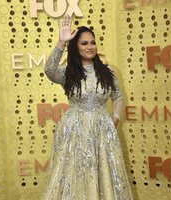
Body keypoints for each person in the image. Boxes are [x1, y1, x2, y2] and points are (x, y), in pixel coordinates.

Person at [41, 15, 134, 200]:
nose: (90, 46)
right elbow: (49, 70)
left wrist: (114, 119)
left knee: (103, 174)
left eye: (92, 42)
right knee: (73, 174)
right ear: (76, 47)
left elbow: (117, 97)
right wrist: (61, 43)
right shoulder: (68, 73)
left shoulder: (108, 72)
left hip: (101, 131)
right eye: (84, 43)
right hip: (73, 132)